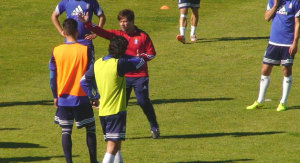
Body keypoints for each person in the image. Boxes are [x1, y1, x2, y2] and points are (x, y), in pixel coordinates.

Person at [78, 9, 160, 138]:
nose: (123, 24)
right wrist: (88, 24)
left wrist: (142, 57)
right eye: (121, 22)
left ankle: (154, 126)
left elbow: (152, 53)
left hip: (140, 76)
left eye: (125, 21)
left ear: (132, 21)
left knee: (143, 101)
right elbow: (102, 32)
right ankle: (120, 130)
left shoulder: (143, 36)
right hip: (123, 76)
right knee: (121, 105)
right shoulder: (118, 35)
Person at [80, 36, 146, 163]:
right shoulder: (119, 64)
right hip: (116, 111)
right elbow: (141, 62)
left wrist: (93, 96)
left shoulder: (98, 63)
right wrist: (132, 56)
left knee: (117, 146)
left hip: (103, 112)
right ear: (123, 51)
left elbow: (83, 81)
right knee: (112, 147)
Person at [49, 18, 98, 163]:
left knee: (66, 131)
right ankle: (93, 161)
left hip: (63, 97)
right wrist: (94, 94)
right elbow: (91, 74)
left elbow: (52, 77)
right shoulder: (85, 50)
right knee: (90, 129)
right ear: (77, 32)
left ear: (63, 32)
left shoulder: (56, 51)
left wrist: (55, 95)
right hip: (82, 97)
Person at [247, 0, 300, 111]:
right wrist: (276, 5)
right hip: (273, 42)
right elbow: (267, 17)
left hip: (287, 43)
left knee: (286, 70)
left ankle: (283, 102)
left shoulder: (295, 2)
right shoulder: (272, 1)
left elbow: (297, 23)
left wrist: (295, 42)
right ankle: (260, 101)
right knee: (265, 70)